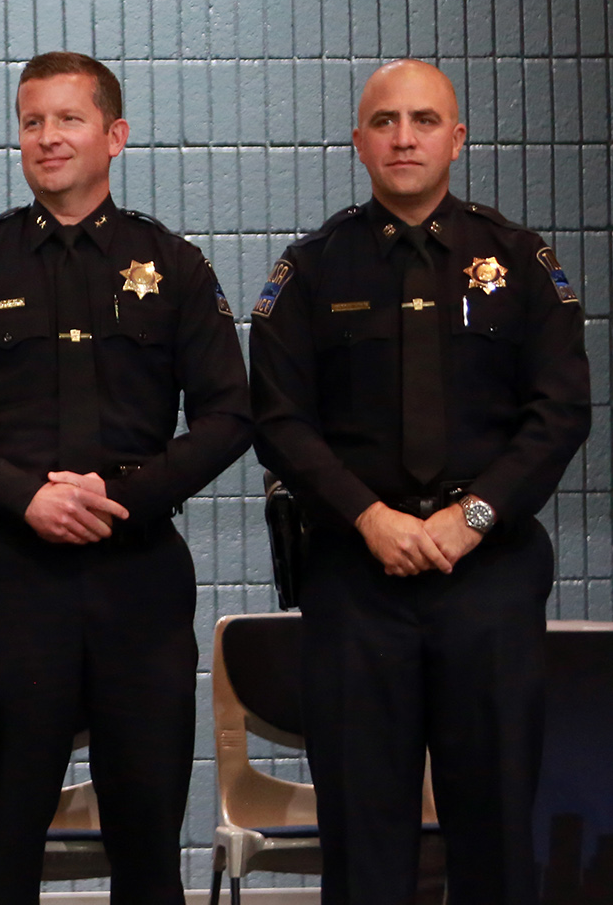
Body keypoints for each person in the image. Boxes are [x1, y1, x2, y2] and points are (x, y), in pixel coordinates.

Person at [0, 51, 249, 904]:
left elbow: (230, 416)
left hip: (139, 573)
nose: (47, 138)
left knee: (146, 839)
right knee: (6, 842)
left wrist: (121, 500)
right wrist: (27, 497)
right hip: (13, 576)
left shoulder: (173, 266)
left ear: (114, 135)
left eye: (68, 119)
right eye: (32, 122)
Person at [249, 59, 589, 905]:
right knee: (364, 833)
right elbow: (281, 421)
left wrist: (471, 517)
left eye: (425, 121)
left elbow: (560, 411)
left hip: (490, 572)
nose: (405, 137)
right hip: (357, 579)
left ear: (458, 138)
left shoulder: (518, 261)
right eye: (387, 121)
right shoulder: (313, 270)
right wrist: (369, 518)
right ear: (359, 140)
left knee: (498, 821)